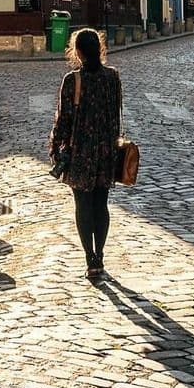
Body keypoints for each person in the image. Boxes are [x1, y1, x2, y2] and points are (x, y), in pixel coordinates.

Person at [49, 27, 122, 279]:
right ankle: (100, 254)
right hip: (105, 152)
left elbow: (63, 121)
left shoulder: (73, 80)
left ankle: (90, 258)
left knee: (83, 206)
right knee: (101, 205)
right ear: (100, 50)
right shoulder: (113, 78)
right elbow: (116, 115)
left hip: (80, 153)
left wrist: (56, 151)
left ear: (78, 53)